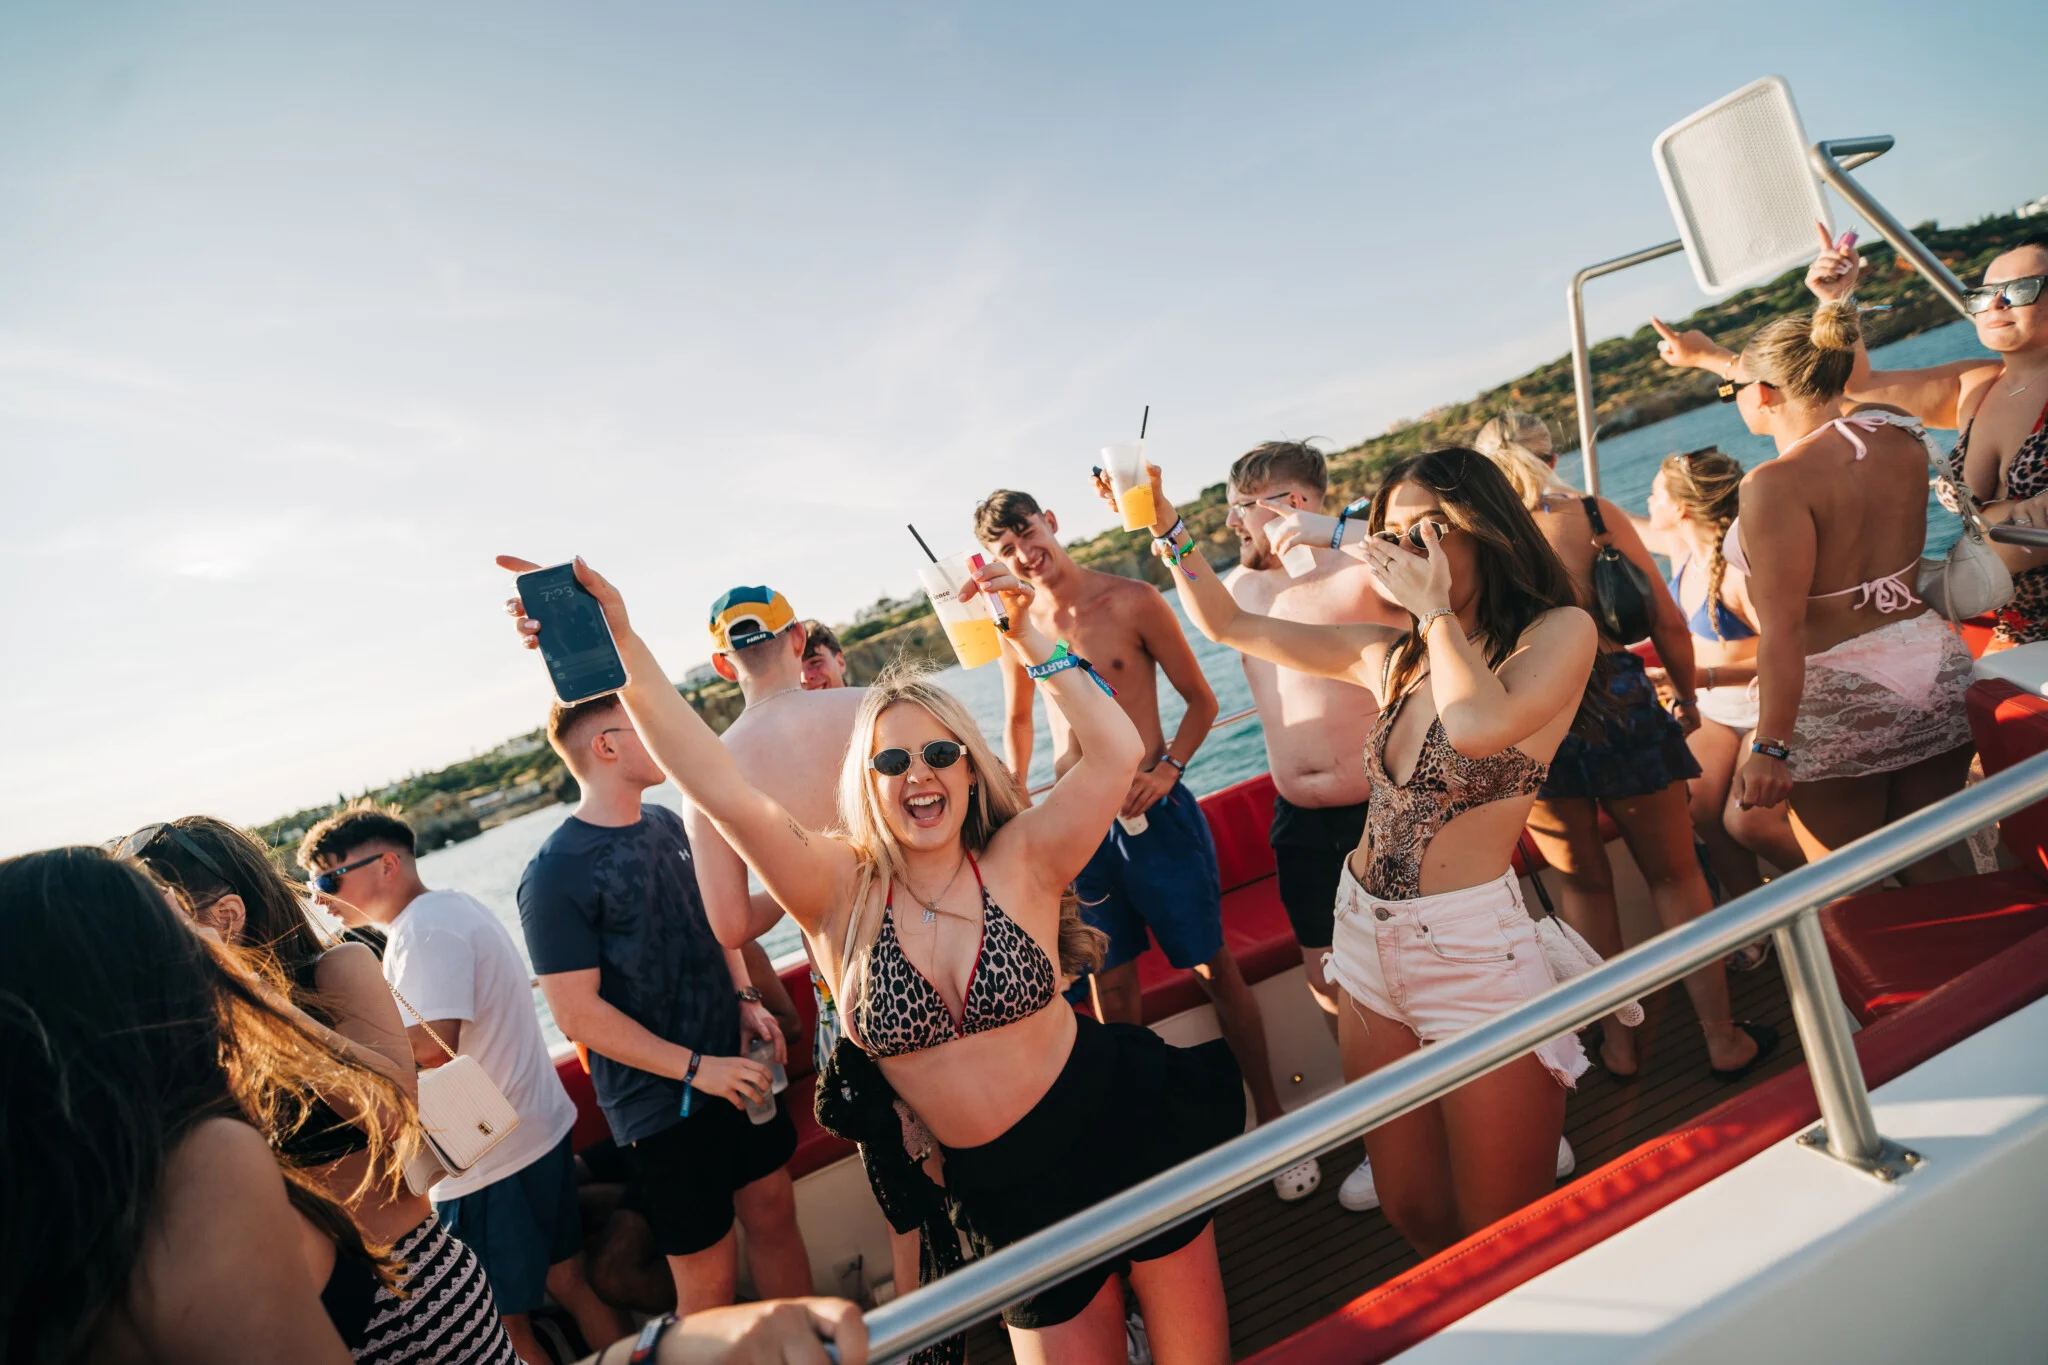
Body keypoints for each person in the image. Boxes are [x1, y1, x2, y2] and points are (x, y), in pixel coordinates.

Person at [500, 555, 1244, 1365]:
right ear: (865, 780)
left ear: (969, 765)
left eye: (937, 753)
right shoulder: (830, 891)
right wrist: (622, 642)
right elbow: (711, 776)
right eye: (891, 762)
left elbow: (1115, 750)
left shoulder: (1024, 856)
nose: (916, 773)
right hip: (1002, 1194)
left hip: (1119, 1124)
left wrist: (1027, 634)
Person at [1137, 447, 1599, 1258]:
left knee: (1503, 1233)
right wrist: (1168, 529)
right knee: (1410, 1207)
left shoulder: (1558, 633)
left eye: (1421, 530)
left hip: (1470, 954)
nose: (1399, 551)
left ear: (1481, 528)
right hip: (1362, 942)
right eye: (1386, 534)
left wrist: (1436, 615)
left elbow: (1479, 727)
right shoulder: (1395, 655)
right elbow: (1230, 623)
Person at [1, 844, 483, 1365]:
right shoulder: (200, 1148)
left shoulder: (54, 1179)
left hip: (420, 1292)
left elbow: (393, 1113)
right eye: (168, 924)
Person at [974, 487, 1296, 1197]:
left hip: (1157, 815)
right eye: (1005, 549)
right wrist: (1016, 800)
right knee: (1109, 987)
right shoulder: (1015, 628)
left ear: (1052, 523)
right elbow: (1020, 725)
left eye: (1028, 532)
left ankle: (1272, 1117)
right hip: (1078, 830)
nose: (1024, 553)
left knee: (1214, 968)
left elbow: (1201, 701)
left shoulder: (1134, 600)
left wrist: (1169, 768)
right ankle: (1149, 1154)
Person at [121, 816, 539, 1364]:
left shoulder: (335, 973)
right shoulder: (193, 1038)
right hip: (301, 1322)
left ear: (226, 916)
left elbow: (395, 1113)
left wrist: (251, 996)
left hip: (411, 1295)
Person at [1471, 418, 1768, 1082]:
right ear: (1549, 456)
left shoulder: (1477, 542)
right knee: (1674, 876)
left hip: (1533, 722)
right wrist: (1688, 697)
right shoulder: (1589, 515)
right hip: (1618, 704)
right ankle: (1722, 1037)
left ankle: (1618, 1044)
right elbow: (1662, 617)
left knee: (1582, 887)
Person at [1654, 299, 1976, 873]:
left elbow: (1783, 630)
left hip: (1844, 689)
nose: (1735, 400)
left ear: (1765, 393)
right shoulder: (1893, 430)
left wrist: (1770, 748)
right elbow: (1824, 392)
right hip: (1936, 662)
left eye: (1735, 391)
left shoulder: (1773, 484)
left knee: (1850, 885)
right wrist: (1715, 361)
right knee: (1942, 863)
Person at [518, 690, 811, 1317]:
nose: (664, 737)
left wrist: (747, 999)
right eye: (643, 726)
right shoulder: (554, 873)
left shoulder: (670, 823)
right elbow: (577, 1015)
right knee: (706, 1281)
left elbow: (714, 922)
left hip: (740, 1069)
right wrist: (702, 1069)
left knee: (774, 1215)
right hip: (664, 1108)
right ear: (606, 746)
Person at [299, 806, 618, 1365]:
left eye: (328, 878)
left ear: (387, 864)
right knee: (572, 1283)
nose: (318, 894)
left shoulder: (423, 930)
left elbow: (426, 1044)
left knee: (503, 1325)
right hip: (531, 1132)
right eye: (311, 882)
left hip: (489, 1160)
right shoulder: (452, 908)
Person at [1661, 226, 2048, 649]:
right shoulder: (1979, 383)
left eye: (2020, 289)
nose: (1995, 303)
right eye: (1983, 292)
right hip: (2002, 619)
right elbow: (1851, 388)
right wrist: (1835, 298)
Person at [1220, 440, 1406, 1210]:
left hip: (1388, 803)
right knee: (1334, 985)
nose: (1255, 517)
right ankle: (1389, 1139)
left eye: (1273, 499)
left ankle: (1495, 1097)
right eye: (1244, 503)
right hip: (1298, 820)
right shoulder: (1238, 590)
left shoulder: (1365, 563)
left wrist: (1339, 530)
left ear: (1308, 500)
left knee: (1428, 965)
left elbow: (1446, 577)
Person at [1635, 450, 1808, 907]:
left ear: (1679, 509)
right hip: (1715, 712)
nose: (1647, 502)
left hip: (1762, 707)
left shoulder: (1738, 569)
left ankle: (1856, 892)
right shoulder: (1684, 553)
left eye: (1654, 494)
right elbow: (1622, 527)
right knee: (1695, 805)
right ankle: (1759, 916)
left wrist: (1702, 677)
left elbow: (1791, 654)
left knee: (1747, 823)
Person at [802, 619, 851, 690]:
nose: (805, 677)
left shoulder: (870, 699)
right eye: (794, 671)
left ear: (840, 662)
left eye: (815, 662)